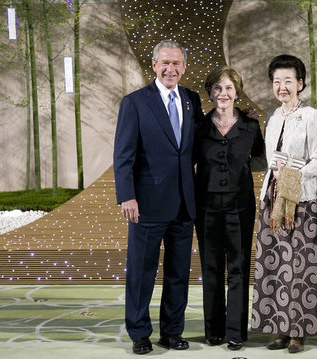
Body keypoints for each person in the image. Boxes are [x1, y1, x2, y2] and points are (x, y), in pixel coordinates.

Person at [113, 39, 204, 355]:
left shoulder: (192, 100)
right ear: (154, 65)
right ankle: (139, 333)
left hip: (183, 203)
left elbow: (200, 144)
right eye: (165, 62)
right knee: (141, 272)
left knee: (179, 273)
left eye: (177, 63)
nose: (171, 68)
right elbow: (123, 155)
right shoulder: (135, 102)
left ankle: (172, 332)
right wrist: (127, 195)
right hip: (146, 205)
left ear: (183, 66)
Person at [251, 54, 317, 354]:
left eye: (288, 81)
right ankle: (280, 329)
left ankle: (299, 332)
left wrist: (293, 176)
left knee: (300, 266)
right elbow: (269, 161)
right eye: (277, 81)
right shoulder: (272, 117)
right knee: (275, 266)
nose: (282, 87)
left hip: (302, 201)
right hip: (272, 201)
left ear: (300, 83)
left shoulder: (311, 116)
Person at [194, 66, 264, 351]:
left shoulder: (250, 126)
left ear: (237, 93)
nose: (223, 94)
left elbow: (260, 158)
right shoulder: (198, 126)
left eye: (229, 89)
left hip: (240, 205)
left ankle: (235, 331)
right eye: (218, 88)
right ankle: (213, 331)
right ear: (211, 92)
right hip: (206, 206)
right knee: (211, 268)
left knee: (238, 268)